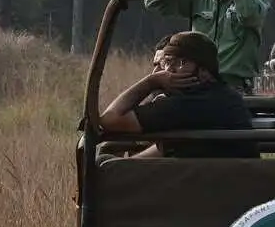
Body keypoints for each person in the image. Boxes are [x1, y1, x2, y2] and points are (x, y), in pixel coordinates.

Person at [97, 31, 254, 158]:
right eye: (168, 63)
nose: (169, 71)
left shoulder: (183, 105)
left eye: (182, 63)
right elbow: (164, 149)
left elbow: (109, 119)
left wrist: (151, 82)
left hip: (198, 190)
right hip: (232, 186)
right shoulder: (229, 98)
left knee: (105, 158)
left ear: (205, 72)